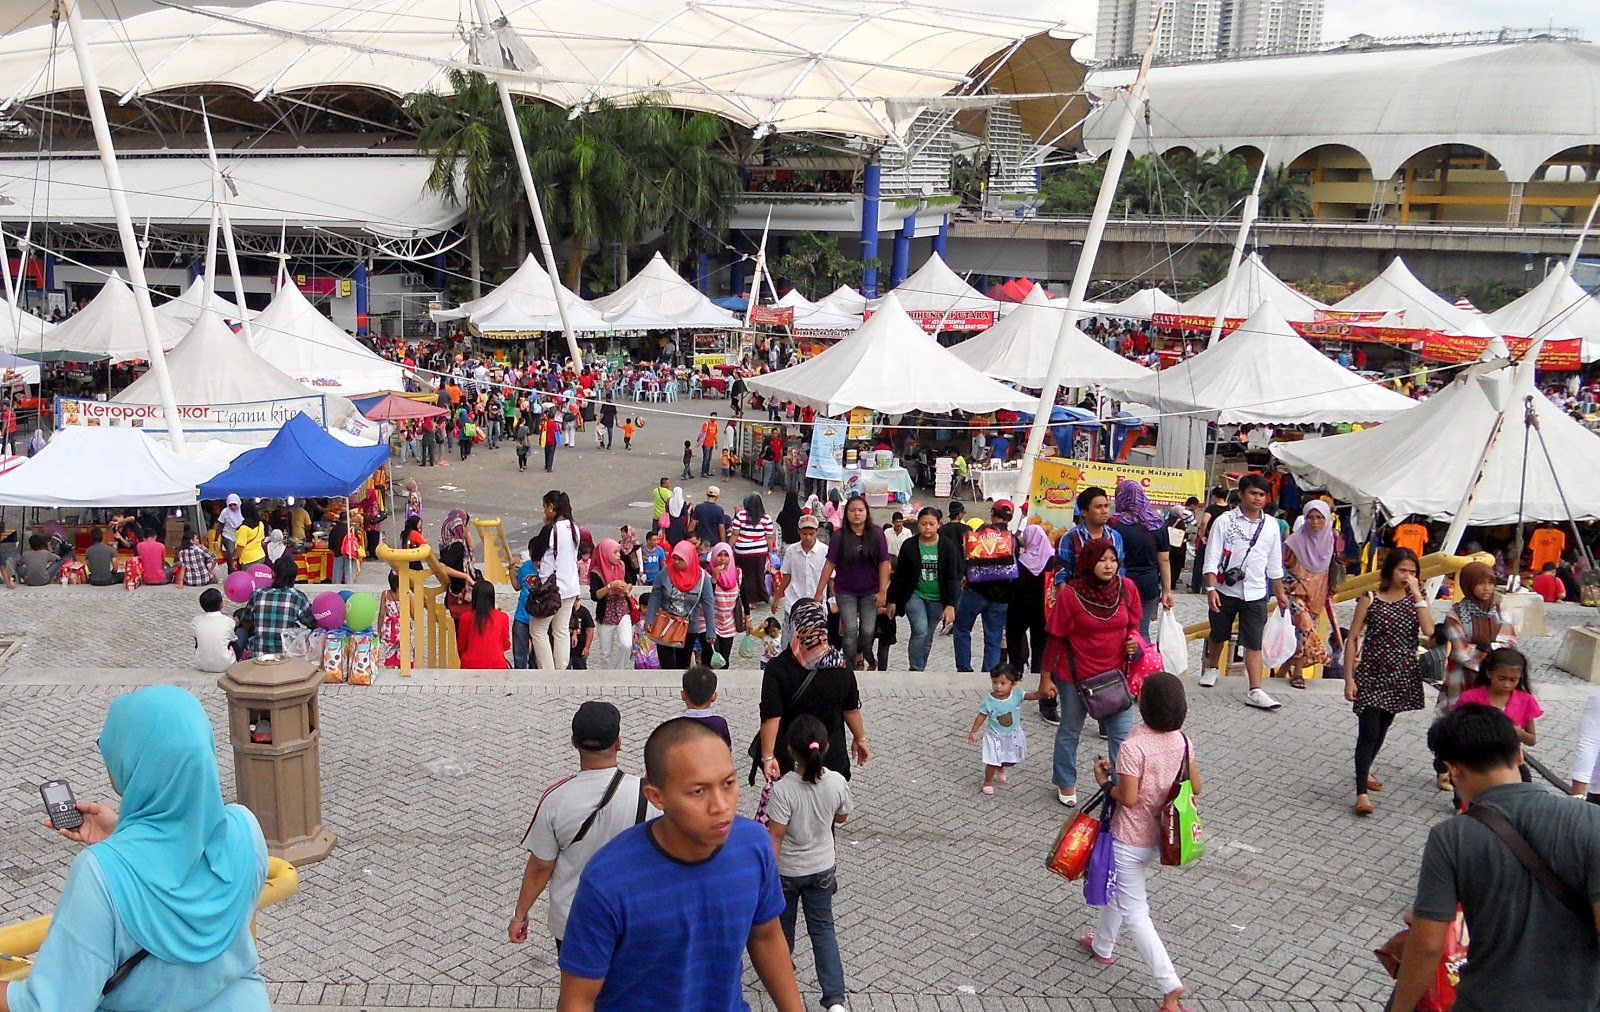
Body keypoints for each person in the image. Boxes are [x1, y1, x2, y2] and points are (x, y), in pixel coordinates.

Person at [0, 686, 270, 1012]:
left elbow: (50, 1005)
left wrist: (120, 855)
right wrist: (123, 836)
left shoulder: (99, 875)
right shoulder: (245, 830)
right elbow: (187, 861)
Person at [556, 718, 804, 1012]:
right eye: (698, 791)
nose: (720, 805)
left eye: (728, 783)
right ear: (656, 797)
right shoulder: (608, 880)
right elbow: (578, 999)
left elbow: (766, 937)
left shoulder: (753, 845)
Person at [1390, 704, 1600, 1012]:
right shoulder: (1592, 820)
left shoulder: (1451, 837)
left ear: (1454, 769)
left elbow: (1428, 944)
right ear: (1518, 754)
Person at [1083, 672, 1198, 1012]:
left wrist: (1105, 781)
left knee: (1136, 911)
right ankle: (1102, 945)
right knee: (1123, 894)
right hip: (1162, 838)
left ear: (1143, 705)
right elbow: (1197, 787)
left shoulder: (1134, 744)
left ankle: (1170, 985)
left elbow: (1128, 798)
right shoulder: (1183, 741)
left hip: (1129, 838)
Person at [511, 701, 656, 955]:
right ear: (619, 743)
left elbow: (540, 867)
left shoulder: (555, 798)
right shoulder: (648, 795)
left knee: (578, 993)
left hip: (573, 922)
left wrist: (520, 915)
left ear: (573, 742)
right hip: (631, 919)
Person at [1042, 538, 1141, 808]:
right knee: (1070, 730)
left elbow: (1134, 625)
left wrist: (1134, 640)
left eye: (1113, 560)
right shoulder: (1070, 595)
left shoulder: (1126, 588)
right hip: (1075, 678)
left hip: (1114, 679)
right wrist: (1046, 677)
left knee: (1121, 737)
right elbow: (1055, 639)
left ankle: (1122, 788)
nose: (1109, 566)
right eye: (1102, 560)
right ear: (1088, 563)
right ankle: (1065, 781)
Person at [766, 715, 854, 1012]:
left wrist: (766, 875)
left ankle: (782, 977)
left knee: (782, 929)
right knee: (823, 930)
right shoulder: (837, 782)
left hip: (787, 871)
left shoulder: (783, 790)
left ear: (790, 750)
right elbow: (841, 818)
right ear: (826, 747)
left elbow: (775, 835)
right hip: (822, 868)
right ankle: (835, 999)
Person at [1343, 547, 1433, 816]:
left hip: (1401, 674)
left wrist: (1417, 594)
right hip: (1372, 673)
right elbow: (1353, 638)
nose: (1407, 576)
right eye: (1402, 570)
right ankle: (1361, 793)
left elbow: (1429, 631)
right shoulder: (1370, 598)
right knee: (1368, 731)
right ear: (1390, 570)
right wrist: (1348, 678)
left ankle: (1366, 768)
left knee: (1383, 727)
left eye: (1413, 572)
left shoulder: (1417, 599)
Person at [756, 599, 871, 785]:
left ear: (794, 626)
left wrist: (768, 757)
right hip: (832, 755)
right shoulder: (841, 665)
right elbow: (851, 709)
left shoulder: (777, 668)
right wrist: (860, 738)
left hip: (790, 755)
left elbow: (771, 717)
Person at [1200, 473, 1290, 710]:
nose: (1258, 498)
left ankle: (1255, 689)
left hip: (1256, 592)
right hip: (1225, 589)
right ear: (1241, 494)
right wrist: (1210, 588)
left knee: (1253, 641)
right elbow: (1212, 557)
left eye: (1262, 494)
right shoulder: (1224, 521)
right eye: (1253, 493)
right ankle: (1212, 667)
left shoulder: (1271, 525)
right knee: (1218, 634)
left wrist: (1279, 592)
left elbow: (1274, 563)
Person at [1439, 561, 1517, 789]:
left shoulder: (1501, 609)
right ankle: (1445, 769)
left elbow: (1510, 641)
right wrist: (1491, 652)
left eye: (1490, 582)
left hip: (1494, 678)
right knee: (1455, 723)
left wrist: (1488, 649)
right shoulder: (1456, 613)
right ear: (1468, 585)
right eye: (1480, 583)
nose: (1486, 588)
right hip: (1463, 678)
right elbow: (1461, 651)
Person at [816, 494, 890, 670]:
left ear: (866, 512)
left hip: (870, 590)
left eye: (860, 510)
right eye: (852, 510)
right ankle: (848, 667)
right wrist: (819, 591)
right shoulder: (839, 536)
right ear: (846, 513)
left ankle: (867, 655)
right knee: (849, 629)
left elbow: (884, 563)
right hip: (845, 591)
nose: (856, 514)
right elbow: (829, 564)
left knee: (867, 631)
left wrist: (883, 591)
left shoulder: (877, 534)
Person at [888, 507, 960, 672]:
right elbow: (900, 576)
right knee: (920, 630)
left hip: (938, 598)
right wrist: (892, 600)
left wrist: (951, 605)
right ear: (917, 524)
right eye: (923, 524)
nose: (927, 527)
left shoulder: (947, 546)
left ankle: (921, 668)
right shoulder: (909, 545)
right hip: (915, 594)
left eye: (931, 524)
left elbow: (952, 577)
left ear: (938, 525)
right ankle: (915, 668)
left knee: (927, 636)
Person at [1457, 647, 1542, 779]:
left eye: (1513, 680)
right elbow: (1457, 733)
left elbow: (1531, 740)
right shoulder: (1470, 698)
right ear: (1489, 673)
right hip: (1475, 765)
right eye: (1502, 678)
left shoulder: (1526, 700)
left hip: (1509, 764)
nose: (1507, 685)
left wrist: (1519, 733)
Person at [953, 500, 1018, 674]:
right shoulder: (1012, 539)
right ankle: (989, 672)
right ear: (1009, 518)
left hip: (976, 591)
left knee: (961, 628)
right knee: (994, 637)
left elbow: (967, 556)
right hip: (1001, 597)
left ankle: (964, 668)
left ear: (993, 513)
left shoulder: (981, 533)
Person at [1279, 500, 1337, 690]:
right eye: (1310, 517)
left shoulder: (1332, 538)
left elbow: (1334, 563)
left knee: (1301, 633)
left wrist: (1332, 586)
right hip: (1297, 593)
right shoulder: (1295, 542)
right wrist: (1292, 587)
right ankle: (1298, 673)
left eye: (1320, 517)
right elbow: (1282, 568)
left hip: (1318, 593)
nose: (1315, 522)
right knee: (1305, 629)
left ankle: (1284, 669)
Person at [1108, 479, 1174, 642]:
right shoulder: (1158, 523)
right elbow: (1164, 560)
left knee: (1117, 629)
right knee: (1142, 630)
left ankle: (1120, 666)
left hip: (1120, 583)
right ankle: (1143, 666)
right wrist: (1167, 591)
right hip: (1149, 583)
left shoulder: (1114, 524)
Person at [967, 662, 1045, 795]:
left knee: (1011, 760)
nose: (998, 687)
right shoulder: (989, 701)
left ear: (1013, 684)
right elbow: (981, 716)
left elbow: (1032, 696)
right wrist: (974, 731)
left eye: (1003, 683)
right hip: (994, 736)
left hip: (1012, 735)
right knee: (991, 761)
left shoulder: (1016, 696)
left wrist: (1042, 692)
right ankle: (987, 781)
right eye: (995, 682)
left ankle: (1001, 766)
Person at [1007, 523, 1058, 716]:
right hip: (1043, 612)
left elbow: (1012, 586)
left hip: (1019, 610)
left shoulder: (1020, 560)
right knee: (1041, 646)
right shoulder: (1052, 559)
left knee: (1014, 639)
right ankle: (1040, 680)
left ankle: (1015, 674)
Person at [529, 491, 581, 671]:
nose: (544, 511)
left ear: (552, 506)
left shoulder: (550, 530)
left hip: (552, 589)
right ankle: (561, 670)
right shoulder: (574, 527)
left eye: (545, 507)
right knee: (561, 630)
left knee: (537, 629)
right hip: (570, 587)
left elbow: (536, 554)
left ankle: (548, 670)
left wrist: (547, 526)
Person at [644, 540, 716, 670]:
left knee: (682, 664)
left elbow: (708, 603)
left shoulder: (703, 578)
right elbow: (656, 594)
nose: (676, 562)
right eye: (674, 558)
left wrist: (710, 630)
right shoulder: (666, 572)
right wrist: (650, 617)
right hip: (665, 624)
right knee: (666, 664)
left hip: (688, 628)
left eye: (680, 559)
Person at [773, 514, 829, 641]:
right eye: (804, 534)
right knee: (788, 644)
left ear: (816, 532)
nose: (808, 537)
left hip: (817, 608)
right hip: (794, 604)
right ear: (799, 532)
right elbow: (786, 576)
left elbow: (831, 579)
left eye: (811, 533)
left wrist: (835, 602)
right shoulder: (792, 551)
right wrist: (777, 597)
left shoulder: (825, 551)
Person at [244, 555, 313, 656]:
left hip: (258, 656)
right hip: (286, 657)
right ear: (294, 577)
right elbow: (312, 622)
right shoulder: (298, 597)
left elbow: (246, 622)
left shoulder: (258, 594)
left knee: (241, 631)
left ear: (273, 574)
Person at [1056, 486, 1125, 583]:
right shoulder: (1070, 538)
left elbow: (1120, 572)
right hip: (1079, 595)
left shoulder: (1115, 537)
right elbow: (1062, 576)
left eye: (1106, 506)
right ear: (1084, 512)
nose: (1104, 511)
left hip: (1110, 595)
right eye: (1098, 507)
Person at [589, 537, 637, 670]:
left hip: (622, 609)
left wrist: (626, 589)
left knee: (626, 644)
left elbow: (630, 581)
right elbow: (595, 595)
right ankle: (607, 676)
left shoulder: (621, 565)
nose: (618, 555)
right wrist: (610, 586)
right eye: (615, 552)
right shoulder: (596, 572)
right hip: (606, 612)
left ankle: (619, 670)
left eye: (618, 552)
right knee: (605, 653)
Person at [731, 493, 775, 609]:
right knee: (758, 574)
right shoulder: (766, 518)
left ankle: (748, 599)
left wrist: (729, 546)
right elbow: (769, 537)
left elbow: (735, 534)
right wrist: (770, 550)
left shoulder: (740, 516)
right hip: (760, 551)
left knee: (745, 575)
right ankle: (760, 596)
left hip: (742, 551)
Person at [457, 580, 511, 669]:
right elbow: (506, 645)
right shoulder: (502, 616)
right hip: (496, 664)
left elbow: (461, 646)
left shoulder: (465, 617)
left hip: (470, 664)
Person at [707, 543, 745, 668]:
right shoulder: (707, 574)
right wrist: (714, 578)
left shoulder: (737, 574)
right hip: (712, 623)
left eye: (726, 555)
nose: (723, 559)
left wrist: (748, 618)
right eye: (719, 555)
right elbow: (707, 597)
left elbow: (744, 595)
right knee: (712, 658)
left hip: (729, 623)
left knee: (725, 658)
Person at [437, 509, 478, 622]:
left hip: (460, 591)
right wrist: (465, 576)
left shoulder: (448, 542)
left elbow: (472, 548)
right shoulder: (457, 546)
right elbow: (442, 566)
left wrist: (465, 532)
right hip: (461, 593)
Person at [679, 665, 732, 747]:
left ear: (683, 695)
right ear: (714, 697)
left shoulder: (673, 723)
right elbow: (727, 748)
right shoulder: (720, 723)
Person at [1190, 487, 1228, 594]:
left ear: (1214, 496)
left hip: (1209, 539)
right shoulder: (1230, 509)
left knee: (1200, 563)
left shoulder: (1211, 508)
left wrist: (1202, 536)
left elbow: (1204, 522)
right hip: (1224, 541)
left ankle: (1196, 587)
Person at [192, 587, 237, 672]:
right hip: (226, 664)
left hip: (202, 664)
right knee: (241, 634)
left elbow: (196, 638)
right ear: (221, 604)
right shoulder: (229, 621)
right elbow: (232, 639)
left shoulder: (196, 620)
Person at [231, 502, 267, 571]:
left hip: (248, 559)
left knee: (249, 579)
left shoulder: (244, 528)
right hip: (260, 556)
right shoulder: (260, 524)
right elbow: (261, 541)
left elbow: (240, 546)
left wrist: (235, 559)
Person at [213, 493, 244, 561]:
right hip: (228, 535)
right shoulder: (225, 512)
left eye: (234, 504)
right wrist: (215, 540)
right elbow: (220, 525)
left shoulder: (243, 511)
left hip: (240, 535)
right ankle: (231, 568)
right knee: (231, 551)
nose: (232, 507)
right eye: (230, 505)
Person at [568, 603, 595, 669]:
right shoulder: (565, 611)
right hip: (566, 646)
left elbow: (590, 630)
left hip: (580, 647)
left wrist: (587, 647)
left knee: (580, 668)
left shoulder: (584, 612)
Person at [698, 412, 720, 477]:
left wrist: (716, 443)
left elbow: (715, 434)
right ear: (710, 417)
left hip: (711, 444)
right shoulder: (706, 424)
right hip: (706, 443)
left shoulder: (715, 425)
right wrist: (699, 441)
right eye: (713, 417)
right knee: (706, 458)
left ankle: (707, 471)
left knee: (709, 458)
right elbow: (702, 433)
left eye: (715, 417)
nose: (714, 418)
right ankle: (703, 472)